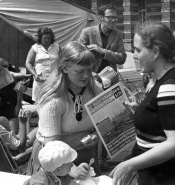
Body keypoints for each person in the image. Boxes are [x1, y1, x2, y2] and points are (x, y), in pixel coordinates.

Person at [109, 22, 175, 185]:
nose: (135, 56)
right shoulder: (165, 77)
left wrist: (129, 165)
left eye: (138, 50)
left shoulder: (170, 86)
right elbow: (163, 117)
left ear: (155, 52)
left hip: (166, 177)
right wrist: (142, 109)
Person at [26, 41, 103, 179]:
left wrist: (96, 135)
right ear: (65, 68)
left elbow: (103, 119)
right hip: (55, 163)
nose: (86, 76)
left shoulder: (95, 88)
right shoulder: (52, 100)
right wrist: (72, 171)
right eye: (79, 71)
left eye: (89, 70)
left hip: (85, 155)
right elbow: (52, 147)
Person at [78, 3, 127, 85]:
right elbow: (78, 54)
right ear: (101, 17)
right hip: (90, 79)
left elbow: (122, 58)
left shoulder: (118, 34)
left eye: (115, 17)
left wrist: (103, 51)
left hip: (111, 80)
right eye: (110, 17)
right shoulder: (87, 32)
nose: (113, 20)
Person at [25, 27, 60, 102]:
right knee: (39, 103)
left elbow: (63, 60)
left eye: (48, 38)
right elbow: (28, 63)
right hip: (40, 80)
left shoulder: (56, 47)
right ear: (40, 38)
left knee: (53, 102)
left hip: (54, 81)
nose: (47, 40)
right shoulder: (35, 48)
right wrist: (34, 74)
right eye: (44, 38)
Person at [0, 58, 31, 134]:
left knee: (14, 133)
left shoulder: (10, 74)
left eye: (6, 66)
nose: (5, 68)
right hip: (2, 104)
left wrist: (18, 104)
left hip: (12, 104)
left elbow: (21, 84)